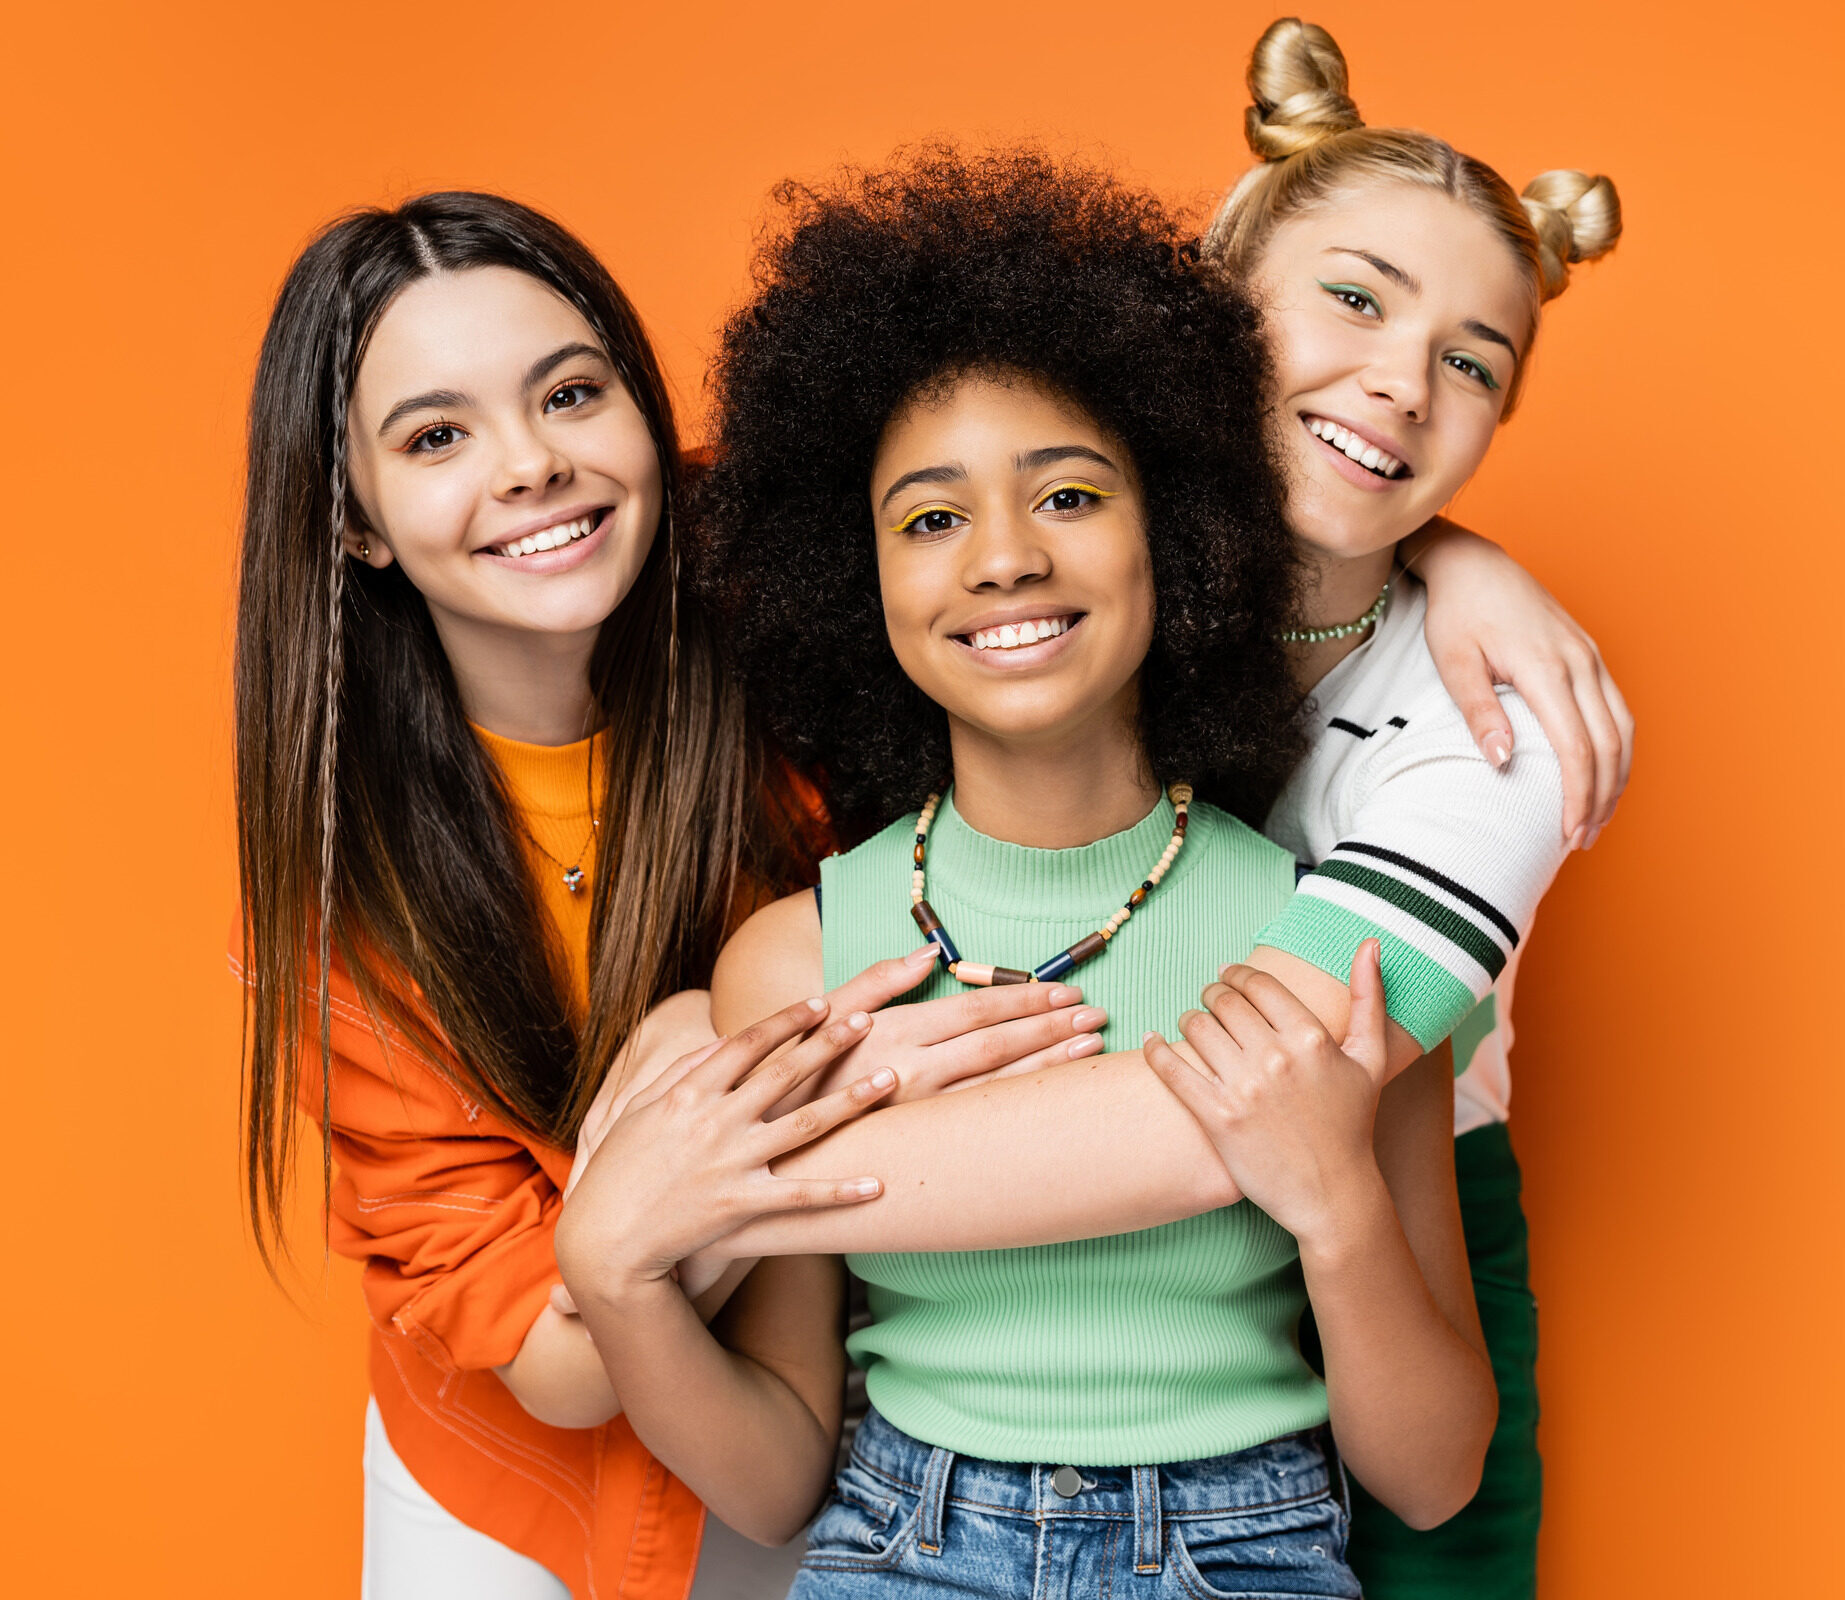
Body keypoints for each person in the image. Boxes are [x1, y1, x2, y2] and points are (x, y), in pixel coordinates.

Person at [561, 149, 1495, 1595]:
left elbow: (1432, 1480)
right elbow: (774, 1477)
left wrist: (1336, 1207)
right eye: (929, 519)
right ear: (855, 581)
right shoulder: (793, 965)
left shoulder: (1325, 933)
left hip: (1246, 1554)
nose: (1001, 558)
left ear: (1175, 529)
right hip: (896, 1545)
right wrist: (618, 1281)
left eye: (1067, 496)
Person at [231, 190, 1095, 1598]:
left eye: (570, 394)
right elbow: (567, 1372)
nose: (531, 466)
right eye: (436, 435)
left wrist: (1457, 571)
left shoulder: (800, 581)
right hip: (514, 1503)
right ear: (359, 526)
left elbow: (1119, 502)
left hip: (832, 1420)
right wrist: (787, 1093)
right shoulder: (355, 920)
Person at [1187, 20, 1625, 1593]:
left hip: (1411, 1203)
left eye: (1470, 362)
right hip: (1109, 1266)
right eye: (1354, 298)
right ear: (1212, 299)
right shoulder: (1041, 597)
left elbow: (1341, 1055)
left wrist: (1451, 558)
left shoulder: (1516, 705)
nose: (1399, 379)